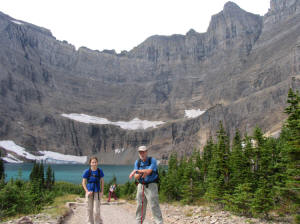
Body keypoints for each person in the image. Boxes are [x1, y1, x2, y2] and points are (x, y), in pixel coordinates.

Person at [129, 145, 163, 224]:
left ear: (146, 152)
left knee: (154, 205)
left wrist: (138, 171)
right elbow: (136, 177)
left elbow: (149, 171)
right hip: (141, 186)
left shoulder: (152, 160)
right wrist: (141, 173)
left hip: (151, 185)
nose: (142, 153)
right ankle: (138, 222)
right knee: (140, 205)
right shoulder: (137, 162)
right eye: (140, 152)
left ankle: (159, 222)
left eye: (143, 152)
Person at [82, 156, 104, 224]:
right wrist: (87, 191)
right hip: (89, 193)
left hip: (97, 193)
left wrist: (102, 191)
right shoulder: (87, 171)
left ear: (97, 163)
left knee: (96, 211)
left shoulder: (100, 171)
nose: (94, 163)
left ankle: (98, 222)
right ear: (90, 163)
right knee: (89, 210)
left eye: (95, 162)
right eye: (92, 162)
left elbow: (102, 182)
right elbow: (83, 183)